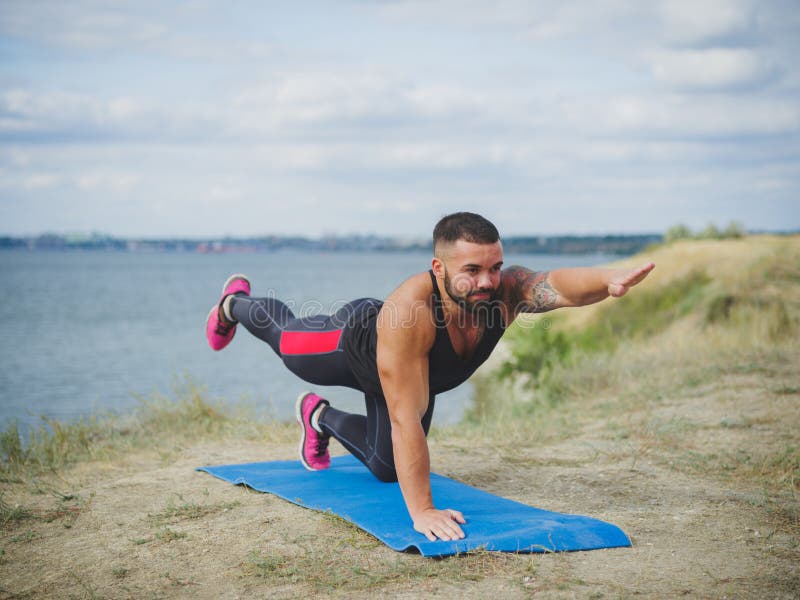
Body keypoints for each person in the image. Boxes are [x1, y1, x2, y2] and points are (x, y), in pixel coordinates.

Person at [205, 212, 655, 543]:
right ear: (438, 269)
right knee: (286, 342)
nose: (487, 281)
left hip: (410, 378)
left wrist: (608, 279)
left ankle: (318, 417)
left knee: (385, 469)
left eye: (494, 267)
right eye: (472, 270)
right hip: (354, 343)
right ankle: (234, 304)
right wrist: (422, 511)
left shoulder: (505, 292)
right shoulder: (411, 314)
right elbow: (406, 422)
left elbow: (557, 285)